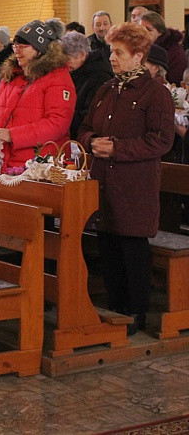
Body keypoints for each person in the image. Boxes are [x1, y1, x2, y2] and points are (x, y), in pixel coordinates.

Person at [78, 22, 174, 336]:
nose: (113, 58)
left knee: (132, 248)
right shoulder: (107, 89)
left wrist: (117, 148)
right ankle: (116, 308)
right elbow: (84, 127)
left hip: (135, 184)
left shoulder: (154, 93)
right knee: (108, 246)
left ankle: (135, 312)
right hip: (104, 181)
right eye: (111, 52)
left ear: (138, 56)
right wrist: (92, 141)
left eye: (119, 52)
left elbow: (161, 140)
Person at [0, 19, 76, 172]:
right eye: (15, 46)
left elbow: (57, 123)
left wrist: (13, 135)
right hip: (4, 160)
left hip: (39, 163)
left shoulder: (57, 77)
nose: (17, 51)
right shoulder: (11, 75)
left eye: (23, 46)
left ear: (40, 49)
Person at [61, 31, 114, 139]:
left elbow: (90, 113)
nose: (65, 64)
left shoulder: (99, 76)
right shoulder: (75, 72)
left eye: (68, 59)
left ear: (82, 55)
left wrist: (62, 118)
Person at [139, 11, 189, 85]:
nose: (143, 32)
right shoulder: (136, 47)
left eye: (149, 29)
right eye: (140, 29)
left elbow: (177, 79)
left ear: (160, 32)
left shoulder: (174, 50)